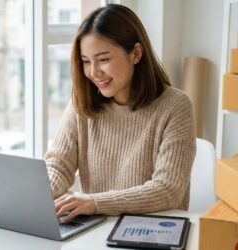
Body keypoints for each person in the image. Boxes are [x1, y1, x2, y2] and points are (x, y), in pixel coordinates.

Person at [44, 4, 196, 224]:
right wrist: (39, 195)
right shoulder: (82, 105)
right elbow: (58, 165)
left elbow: (168, 189)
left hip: (154, 232)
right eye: (86, 61)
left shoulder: (175, 106)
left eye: (103, 59)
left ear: (135, 53)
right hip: (97, 231)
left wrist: (95, 203)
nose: (94, 73)